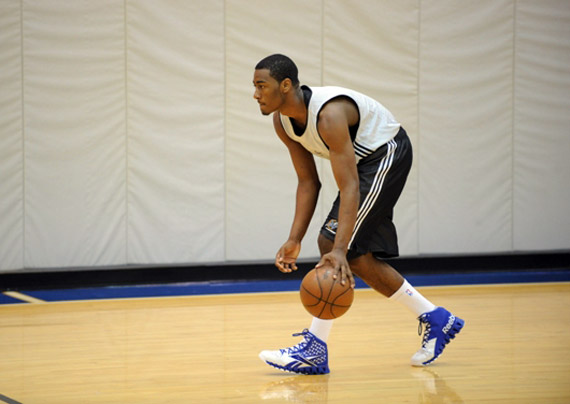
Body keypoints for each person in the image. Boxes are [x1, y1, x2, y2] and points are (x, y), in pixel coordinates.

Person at [252, 54, 464, 375]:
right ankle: (436, 318)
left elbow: (349, 185)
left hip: (386, 153)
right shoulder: (282, 122)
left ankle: (314, 350)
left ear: (285, 85)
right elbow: (309, 181)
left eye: (261, 86)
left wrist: (338, 248)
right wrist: (294, 238)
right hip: (363, 165)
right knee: (354, 256)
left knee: (337, 247)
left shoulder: (329, 115)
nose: (255, 94)